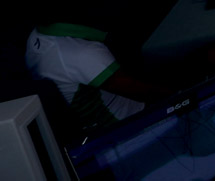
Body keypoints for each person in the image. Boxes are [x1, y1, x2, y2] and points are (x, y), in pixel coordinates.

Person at [26, 23, 171, 133]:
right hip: (126, 123)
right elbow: (143, 92)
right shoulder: (80, 54)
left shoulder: (37, 36)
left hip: (101, 118)